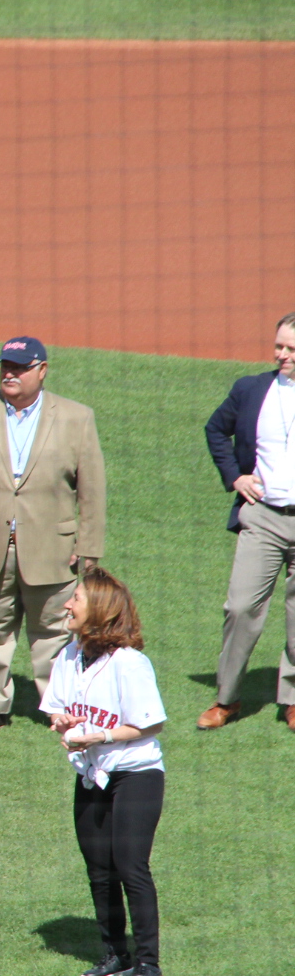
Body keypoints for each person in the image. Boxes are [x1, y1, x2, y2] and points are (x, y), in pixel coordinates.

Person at [0, 336, 106, 734]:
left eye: (20, 367)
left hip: (53, 547)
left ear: (42, 370)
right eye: (5, 365)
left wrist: (89, 549)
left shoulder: (76, 417)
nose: (9, 373)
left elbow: (92, 491)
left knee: (54, 634)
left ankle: (57, 707)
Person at [40, 568, 168, 976]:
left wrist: (99, 735)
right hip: (91, 775)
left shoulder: (130, 663)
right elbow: (57, 710)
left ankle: (150, 967)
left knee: (130, 865)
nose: (67, 605)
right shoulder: (69, 655)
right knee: (99, 868)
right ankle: (116, 954)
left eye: (75, 598)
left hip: (136, 774)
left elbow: (151, 725)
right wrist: (63, 721)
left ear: (100, 609)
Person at [196, 311, 295, 732]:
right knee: (240, 606)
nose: (281, 355)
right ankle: (227, 698)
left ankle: (292, 700)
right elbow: (215, 429)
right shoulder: (252, 389)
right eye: (279, 346)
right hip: (264, 517)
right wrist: (234, 477)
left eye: (291, 349)